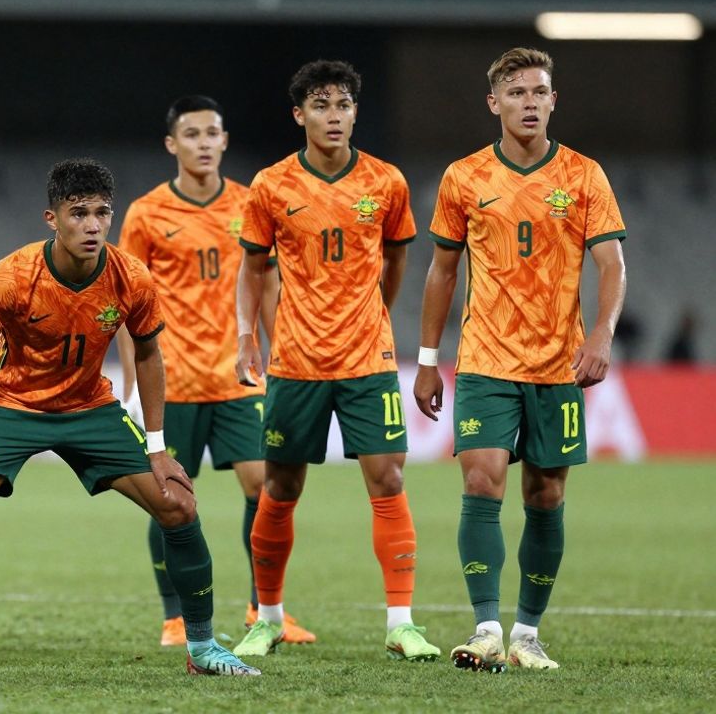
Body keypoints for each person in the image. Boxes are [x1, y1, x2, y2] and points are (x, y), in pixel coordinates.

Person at [0, 158, 261, 678]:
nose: (93, 225)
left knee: (179, 505)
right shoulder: (12, 277)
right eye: (78, 214)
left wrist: (158, 446)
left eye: (102, 213)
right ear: (51, 218)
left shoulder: (131, 278)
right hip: (13, 405)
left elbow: (147, 354)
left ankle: (205, 647)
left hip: (89, 407)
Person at [414, 47, 627, 672]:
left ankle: (527, 635)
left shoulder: (584, 175)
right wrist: (428, 357)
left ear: (553, 100)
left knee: (546, 495)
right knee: (481, 480)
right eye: (517, 93)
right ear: (495, 103)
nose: (529, 102)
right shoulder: (465, 177)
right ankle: (485, 628)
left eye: (539, 92)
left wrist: (603, 336)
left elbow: (612, 263)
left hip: (559, 364)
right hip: (485, 358)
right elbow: (442, 270)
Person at [232, 60, 439, 662]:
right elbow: (253, 268)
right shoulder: (271, 186)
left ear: (355, 112)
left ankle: (401, 622)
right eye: (320, 105)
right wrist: (248, 334)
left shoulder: (386, 183)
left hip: (367, 360)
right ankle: (267, 617)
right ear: (299, 115)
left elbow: (398, 259)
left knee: (389, 477)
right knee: (282, 485)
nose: (334, 116)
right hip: (295, 360)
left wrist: (375, 314)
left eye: (343, 104)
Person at [116, 95, 314, 647]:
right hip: (172, 381)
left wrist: (281, 357)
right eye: (193, 135)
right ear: (172, 145)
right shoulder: (147, 214)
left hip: (237, 376)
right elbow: (127, 305)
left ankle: (264, 610)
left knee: (267, 485)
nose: (203, 144)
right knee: (170, 498)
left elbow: (268, 284)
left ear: (224, 141)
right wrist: (132, 385)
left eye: (212, 134)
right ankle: (175, 617)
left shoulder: (253, 204)